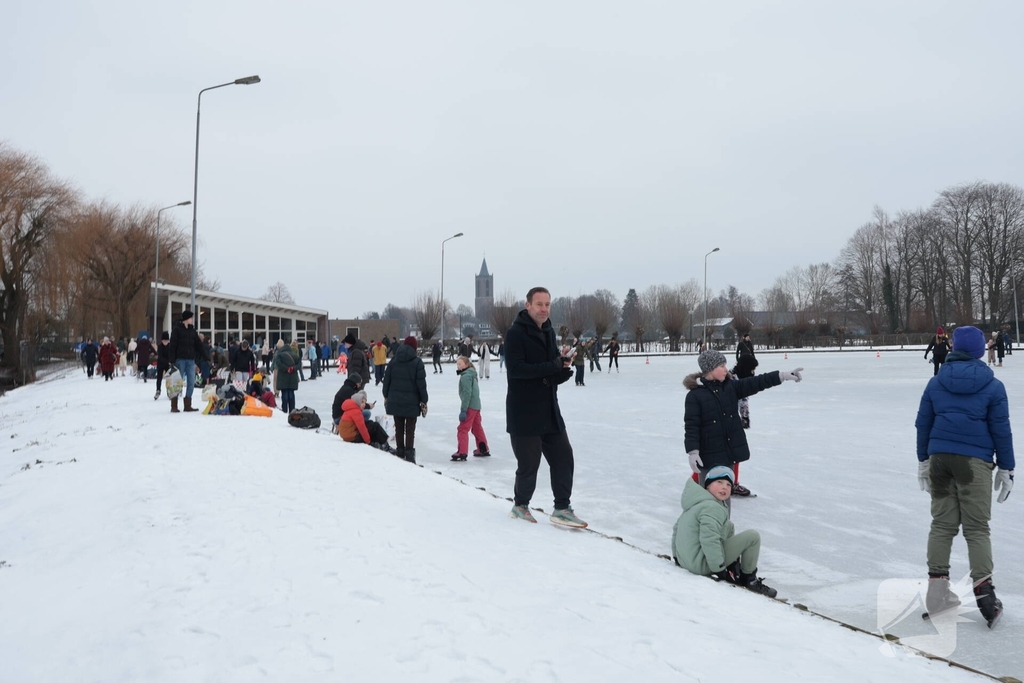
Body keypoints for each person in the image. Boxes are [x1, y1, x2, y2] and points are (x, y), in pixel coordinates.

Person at [915, 325, 1014, 627]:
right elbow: (1001, 431)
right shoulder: (993, 386)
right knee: (977, 529)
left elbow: (923, 424)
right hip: (975, 464)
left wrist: (923, 461)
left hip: (941, 460)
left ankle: (937, 596)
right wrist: (1007, 468)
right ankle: (985, 597)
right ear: (980, 352)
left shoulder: (936, 382)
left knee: (942, 526)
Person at [505, 287, 586, 528]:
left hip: (549, 409)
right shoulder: (515, 334)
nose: (544, 309)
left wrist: (562, 370)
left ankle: (562, 507)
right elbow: (516, 370)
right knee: (529, 464)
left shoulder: (549, 332)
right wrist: (553, 365)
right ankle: (520, 505)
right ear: (527, 305)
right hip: (524, 411)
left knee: (563, 457)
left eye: (547, 304)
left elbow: (549, 371)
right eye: (539, 304)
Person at [684, 349, 803, 497]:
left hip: (728, 454)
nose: (726, 369)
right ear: (710, 369)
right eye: (721, 366)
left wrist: (782, 376)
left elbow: (757, 382)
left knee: (723, 499)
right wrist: (693, 451)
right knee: (706, 499)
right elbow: (691, 426)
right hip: (708, 456)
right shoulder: (695, 396)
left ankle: (724, 520)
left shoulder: (731, 387)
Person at [671, 465, 777, 597]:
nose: (724, 487)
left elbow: (677, 529)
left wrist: (676, 556)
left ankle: (733, 567)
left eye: (728, 484)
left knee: (728, 526)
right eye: (719, 482)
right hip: (701, 565)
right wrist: (718, 568)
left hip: (685, 560)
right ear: (707, 486)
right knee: (752, 537)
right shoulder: (712, 507)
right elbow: (709, 539)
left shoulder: (696, 502)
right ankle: (749, 580)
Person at [382, 336, 428, 464]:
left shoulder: (393, 361)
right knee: (410, 429)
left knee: (399, 427)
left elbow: (386, 381)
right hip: (412, 401)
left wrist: (386, 395)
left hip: (395, 400)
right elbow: (421, 384)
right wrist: (424, 400)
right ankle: (409, 453)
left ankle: (400, 451)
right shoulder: (418, 362)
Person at [168, 311, 208, 412]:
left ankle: (187, 405)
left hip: (190, 360)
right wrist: (172, 360)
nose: (192, 320)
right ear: (186, 318)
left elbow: (198, 345)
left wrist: (205, 357)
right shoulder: (177, 330)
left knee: (191, 381)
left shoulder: (192, 331)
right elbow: (172, 345)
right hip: (180, 360)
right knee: (177, 382)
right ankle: (174, 406)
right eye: (191, 318)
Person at [452, 355, 490, 461]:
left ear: (466, 365)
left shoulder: (465, 377)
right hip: (476, 405)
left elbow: (467, 394)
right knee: (477, 428)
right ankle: (483, 449)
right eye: (457, 364)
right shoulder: (471, 374)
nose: (458, 366)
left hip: (470, 406)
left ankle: (462, 452)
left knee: (462, 429)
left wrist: (464, 409)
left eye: (460, 364)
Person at [273, 339, 300, 414]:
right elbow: (299, 365)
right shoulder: (294, 355)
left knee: (284, 394)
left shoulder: (280, 354)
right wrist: (292, 368)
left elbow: (278, 363)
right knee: (291, 393)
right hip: (292, 377)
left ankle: (284, 410)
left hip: (283, 377)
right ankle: (292, 409)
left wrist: (286, 369)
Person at [154, 332, 170, 399]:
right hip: (161, 364)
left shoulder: (170, 346)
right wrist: (167, 362)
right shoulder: (160, 346)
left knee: (169, 378)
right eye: (164, 341)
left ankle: (169, 390)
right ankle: (158, 390)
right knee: (159, 378)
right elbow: (160, 357)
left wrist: (171, 361)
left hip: (168, 365)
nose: (165, 342)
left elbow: (171, 355)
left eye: (166, 341)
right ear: (161, 341)